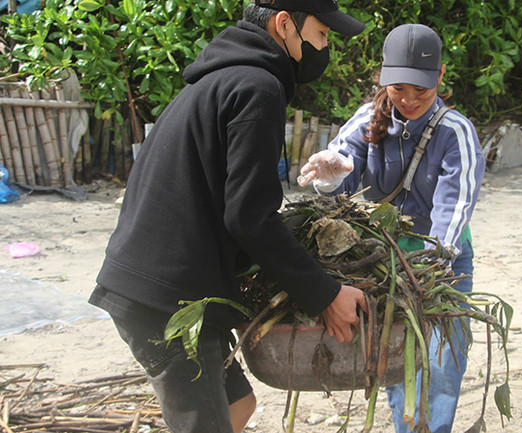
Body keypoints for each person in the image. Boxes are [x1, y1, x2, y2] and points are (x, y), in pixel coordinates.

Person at [88, 2, 369, 432]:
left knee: (238, 406)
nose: (324, 46)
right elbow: (250, 216)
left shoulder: (224, 77)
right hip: (166, 302)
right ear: (284, 25)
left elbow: (229, 207)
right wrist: (324, 293)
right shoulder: (258, 87)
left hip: (161, 285)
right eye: (322, 34)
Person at [299, 23, 484, 433]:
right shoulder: (369, 119)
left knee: (440, 355)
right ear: (384, 79)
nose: (410, 99)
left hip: (443, 258)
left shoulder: (456, 132)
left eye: (421, 89)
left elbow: (453, 207)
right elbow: (342, 169)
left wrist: (435, 262)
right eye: (400, 88)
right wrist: (333, 172)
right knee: (395, 352)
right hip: (386, 256)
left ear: (439, 77)